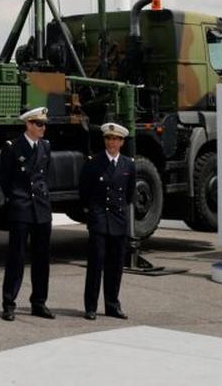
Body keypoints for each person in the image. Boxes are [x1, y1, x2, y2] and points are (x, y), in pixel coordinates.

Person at [0, 105, 55, 320]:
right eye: (38, 124)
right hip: (21, 207)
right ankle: (9, 302)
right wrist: (17, 199)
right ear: (28, 124)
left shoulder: (46, 147)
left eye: (44, 124)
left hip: (41, 209)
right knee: (16, 257)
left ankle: (39, 302)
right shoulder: (13, 147)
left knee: (42, 258)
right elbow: (5, 180)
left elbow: (44, 176)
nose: (43, 128)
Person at [79, 122, 135, 321]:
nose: (112, 142)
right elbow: (84, 191)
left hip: (118, 220)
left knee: (116, 265)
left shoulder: (128, 164)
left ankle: (112, 305)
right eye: (108, 139)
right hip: (100, 219)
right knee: (95, 265)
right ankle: (91, 306)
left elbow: (128, 194)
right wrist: (93, 212)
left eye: (116, 139)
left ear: (121, 142)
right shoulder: (94, 162)